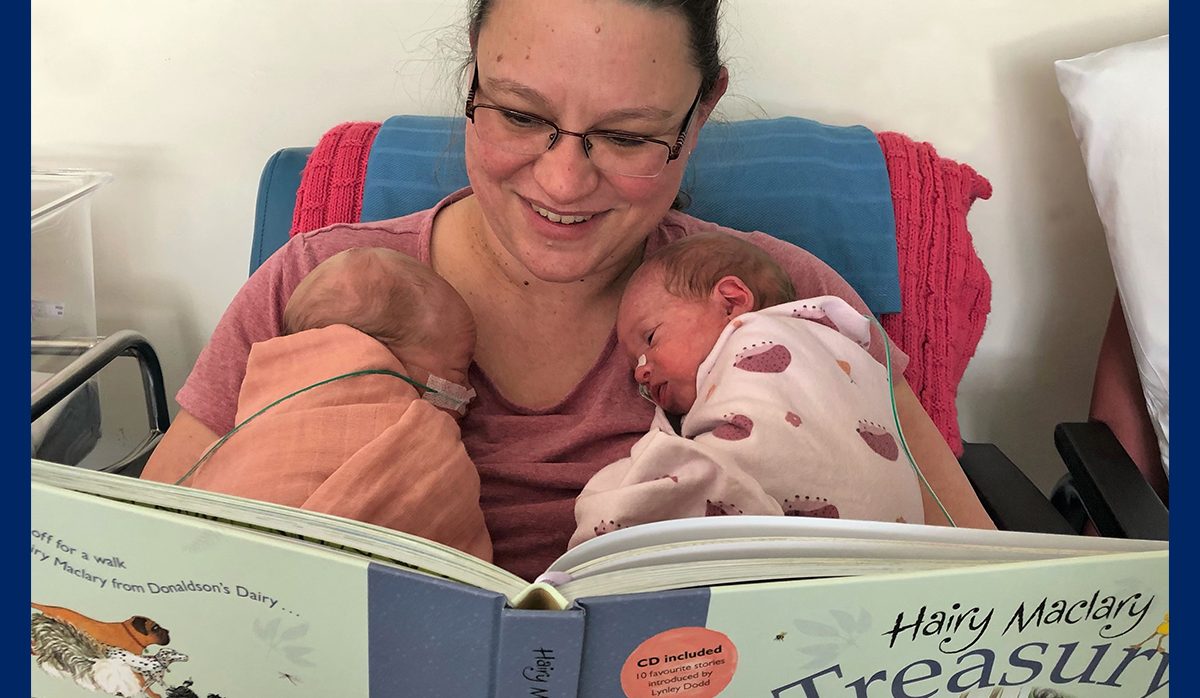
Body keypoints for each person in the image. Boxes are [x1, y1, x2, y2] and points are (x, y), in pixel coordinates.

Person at [145, 0, 994, 582]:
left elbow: (969, 570)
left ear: (699, 116)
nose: (561, 180)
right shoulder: (317, 285)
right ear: (470, 83)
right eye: (518, 116)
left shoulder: (785, 302)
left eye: (627, 136)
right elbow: (152, 569)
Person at [569, 233, 925, 547]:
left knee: (618, 491)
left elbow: (736, 459)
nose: (641, 371)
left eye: (651, 338)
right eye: (634, 363)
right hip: (885, 553)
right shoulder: (839, 341)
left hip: (841, 544)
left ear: (731, 301)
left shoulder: (764, 340)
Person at [141, 247, 493, 561]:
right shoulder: (422, 438)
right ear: (385, 359)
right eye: (458, 371)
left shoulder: (263, 400)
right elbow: (458, 550)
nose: (466, 392)